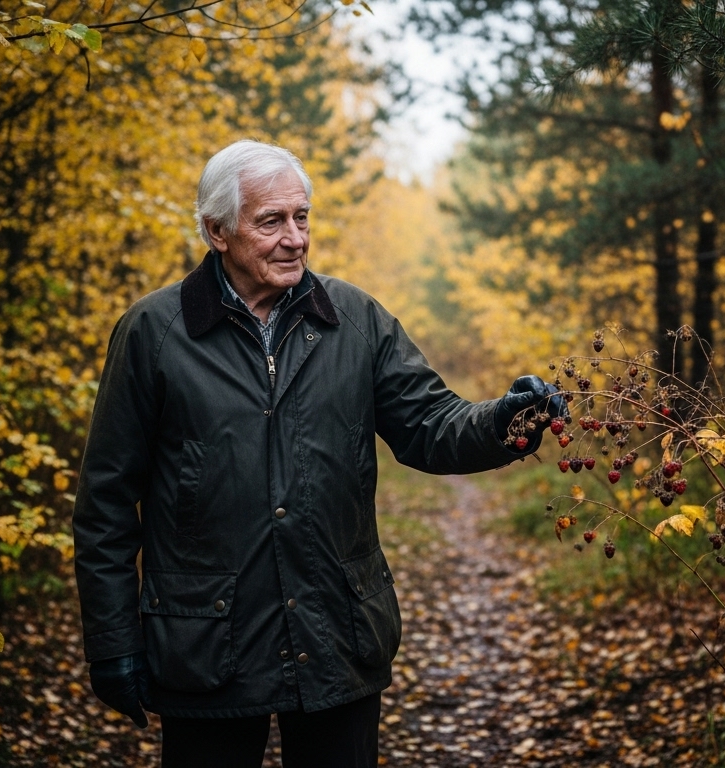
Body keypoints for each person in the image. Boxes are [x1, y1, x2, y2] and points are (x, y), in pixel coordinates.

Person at [72, 140, 566, 768]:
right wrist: (112, 641)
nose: (295, 238)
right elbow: (106, 504)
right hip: (206, 645)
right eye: (271, 221)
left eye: (302, 217)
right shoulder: (154, 333)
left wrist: (508, 419)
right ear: (217, 231)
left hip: (337, 632)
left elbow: (431, 425)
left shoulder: (355, 321)